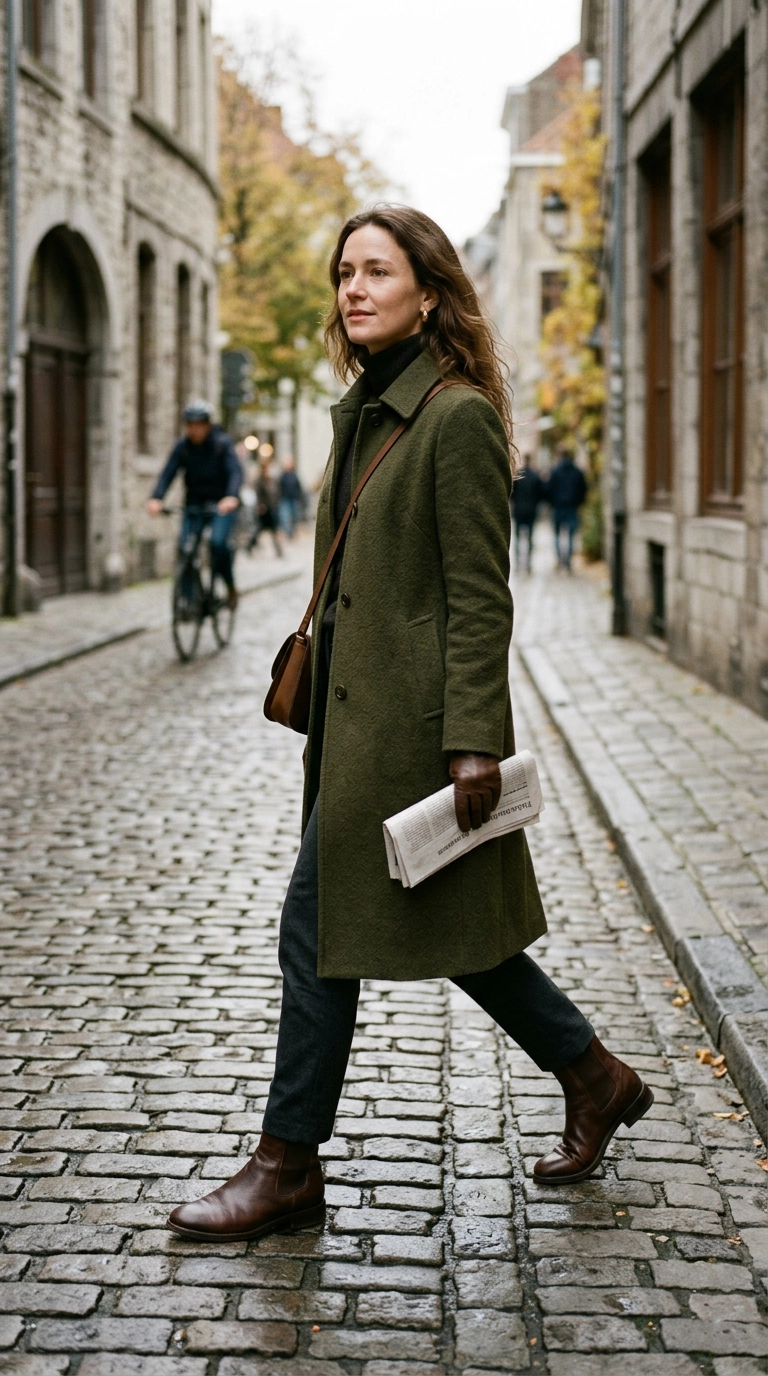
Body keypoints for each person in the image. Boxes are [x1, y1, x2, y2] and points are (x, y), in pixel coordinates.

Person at [167, 206, 652, 1245]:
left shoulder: (455, 416)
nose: (352, 288)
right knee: (447, 932)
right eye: (344, 270)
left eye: (376, 271)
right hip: (355, 730)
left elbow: (481, 594)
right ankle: (596, 1075)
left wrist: (473, 733)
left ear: (427, 291)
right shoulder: (368, 407)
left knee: (320, 931)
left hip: (413, 734)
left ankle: (287, 1163)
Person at [147, 401, 242, 608]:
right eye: (190, 425)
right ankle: (189, 603)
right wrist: (157, 497)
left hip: (221, 505)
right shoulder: (183, 447)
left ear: (208, 425)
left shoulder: (221, 444)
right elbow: (168, 473)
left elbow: (235, 472)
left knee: (217, 543)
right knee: (185, 547)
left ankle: (230, 586)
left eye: (199, 424)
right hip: (194, 505)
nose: (195, 429)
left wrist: (231, 496)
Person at [546, 449, 587, 571]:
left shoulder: (555, 471)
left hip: (558, 507)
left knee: (557, 535)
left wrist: (552, 502)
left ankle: (560, 560)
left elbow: (548, 489)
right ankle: (568, 562)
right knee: (570, 536)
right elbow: (583, 489)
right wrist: (578, 502)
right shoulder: (577, 472)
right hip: (572, 507)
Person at [510, 459, 545, 573]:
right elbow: (540, 493)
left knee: (518, 537)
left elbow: (511, 493)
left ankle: (518, 562)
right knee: (530, 537)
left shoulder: (517, 477)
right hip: (531, 510)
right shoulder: (535, 476)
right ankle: (528, 563)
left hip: (519, 510)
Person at [254, 455, 283, 557]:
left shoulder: (273, 479)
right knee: (260, 529)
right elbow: (258, 494)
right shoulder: (259, 480)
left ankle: (279, 550)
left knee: (274, 530)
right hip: (264, 509)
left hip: (272, 508)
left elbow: (277, 492)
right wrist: (260, 505)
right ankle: (250, 545)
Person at [278, 456, 304, 539]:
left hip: (294, 498)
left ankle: (293, 532)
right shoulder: (282, 476)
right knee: (285, 517)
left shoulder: (295, 475)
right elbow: (279, 488)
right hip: (285, 499)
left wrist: (299, 497)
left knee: (294, 516)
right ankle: (288, 533)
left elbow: (299, 487)